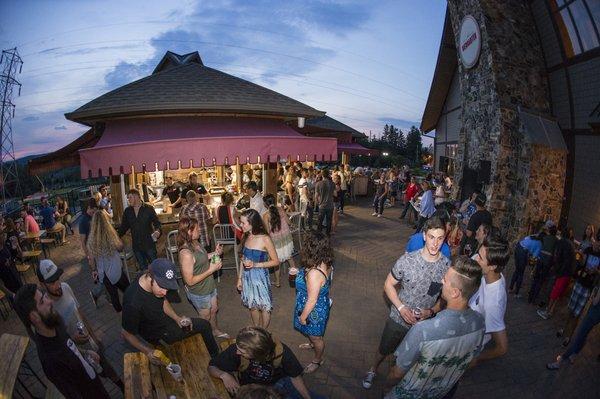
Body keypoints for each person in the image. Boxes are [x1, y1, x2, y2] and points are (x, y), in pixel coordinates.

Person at [362, 217, 451, 389]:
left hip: (424, 324)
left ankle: (399, 382)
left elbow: (443, 300)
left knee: (412, 358)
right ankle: (373, 369)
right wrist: (401, 308)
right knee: (384, 348)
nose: (435, 243)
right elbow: (388, 284)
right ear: (424, 236)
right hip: (398, 318)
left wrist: (431, 312)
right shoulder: (407, 260)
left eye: (440, 239)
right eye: (432, 237)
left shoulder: (446, 266)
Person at [383, 256, 485, 399]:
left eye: (445, 280)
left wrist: (386, 386)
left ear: (455, 292)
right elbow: (472, 361)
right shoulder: (480, 323)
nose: (442, 281)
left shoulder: (424, 329)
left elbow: (396, 373)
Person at [35, 259, 124, 391]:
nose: (58, 285)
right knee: (94, 382)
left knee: (107, 368)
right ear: (42, 284)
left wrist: (94, 337)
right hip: (76, 355)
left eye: (58, 279)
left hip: (90, 343)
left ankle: (122, 387)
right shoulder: (47, 309)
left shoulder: (65, 287)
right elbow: (56, 340)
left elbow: (80, 313)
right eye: (52, 283)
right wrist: (72, 339)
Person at [13, 284, 111, 399]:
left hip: (95, 385)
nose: (49, 301)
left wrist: (85, 353)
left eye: (44, 296)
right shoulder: (50, 360)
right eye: (42, 302)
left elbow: (67, 345)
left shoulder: (54, 321)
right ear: (34, 317)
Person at [121, 258, 219, 361]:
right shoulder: (132, 302)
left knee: (204, 325)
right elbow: (126, 333)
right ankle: (216, 359)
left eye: (167, 288)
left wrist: (177, 318)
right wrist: (147, 350)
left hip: (167, 321)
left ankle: (214, 356)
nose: (164, 292)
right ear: (150, 277)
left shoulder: (147, 279)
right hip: (159, 334)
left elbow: (163, 301)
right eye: (162, 287)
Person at [208, 326, 313, 399]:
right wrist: (224, 375)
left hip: (277, 385)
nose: (237, 352)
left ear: (257, 354)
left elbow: (295, 377)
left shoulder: (282, 352)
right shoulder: (237, 349)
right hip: (251, 390)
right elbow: (212, 367)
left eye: (242, 352)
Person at [177, 216, 228, 339]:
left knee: (214, 309)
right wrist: (211, 269)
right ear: (189, 231)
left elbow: (202, 258)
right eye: (197, 228)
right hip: (199, 291)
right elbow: (189, 281)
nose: (200, 230)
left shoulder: (195, 242)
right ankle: (204, 337)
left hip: (209, 285)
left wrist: (215, 254)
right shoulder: (186, 253)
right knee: (205, 317)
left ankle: (215, 330)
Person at [294, 230, 333, 374]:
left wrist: (303, 316)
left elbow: (312, 299)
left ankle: (317, 359)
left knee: (317, 337)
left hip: (313, 311)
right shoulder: (325, 261)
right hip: (319, 305)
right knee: (315, 335)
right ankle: (312, 342)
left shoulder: (314, 273)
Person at [470, 234, 510, 362]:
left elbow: (502, 348)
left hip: (470, 344)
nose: (476, 258)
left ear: (492, 266)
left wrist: (474, 359)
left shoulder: (493, 303)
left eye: (480, 258)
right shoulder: (493, 274)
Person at [238, 209, 280, 329]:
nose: (240, 225)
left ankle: (263, 330)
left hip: (260, 277)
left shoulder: (265, 239)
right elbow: (243, 259)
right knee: (252, 305)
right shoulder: (246, 235)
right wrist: (239, 279)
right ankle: (256, 328)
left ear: (252, 223)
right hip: (247, 277)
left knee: (264, 306)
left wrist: (255, 265)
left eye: (243, 223)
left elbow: (276, 261)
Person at [547, 283, 599, 370]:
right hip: (597, 317)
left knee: (579, 337)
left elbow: (595, 302)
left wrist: (593, 294)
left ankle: (560, 360)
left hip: (592, 314)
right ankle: (574, 354)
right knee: (584, 335)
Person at [87, 211, 130, 313]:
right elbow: (120, 247)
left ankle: (121, 316)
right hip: (116, 269)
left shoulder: (92, 239)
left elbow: (91, 259)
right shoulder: (111, 234)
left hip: (104, 273)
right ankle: (133, 310)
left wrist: (94, 270)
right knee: (128, 291)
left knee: (114, 296)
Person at [118, 189, 161, 270]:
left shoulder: (149, 209)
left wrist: (157, 231)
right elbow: (123, 227)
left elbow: (157, 223)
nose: (128, 200)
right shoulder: (128, 211)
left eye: (130, 197)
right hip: (137, 246)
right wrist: (115, 236)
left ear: (137, 196)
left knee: (155, 268)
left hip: (149, 244)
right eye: (128, 198)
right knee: (143, 269)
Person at [538, 228, 576, 320]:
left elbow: (557, 257)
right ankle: (551, 311)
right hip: (568, 272)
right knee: (558, 293)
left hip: (563, 272)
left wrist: (555, 269)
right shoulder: (571, 244)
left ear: (562, 234)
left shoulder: (561, 242)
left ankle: (547, 312)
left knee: (554, 292)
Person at [262, 194, 297, 288]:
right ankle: (295, 277)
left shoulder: (266, 215)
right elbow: (289, 222)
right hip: (286, 239)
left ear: (265, 204)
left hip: (276, 242)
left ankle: (277, 282)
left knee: (276, 262)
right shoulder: (281, 209)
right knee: (290, 258)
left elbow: (267, 231)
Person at [529, 223, 558, 304]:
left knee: (536, 279)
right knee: (540, 281)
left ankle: (530, 297)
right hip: (547, 263)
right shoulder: (556, 241)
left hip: (540, 260)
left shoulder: (545, 237)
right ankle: (534, 299)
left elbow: (537, 237)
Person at [509, 233, 542, 298]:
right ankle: (516, 293)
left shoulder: (532, 236)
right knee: (521, 273)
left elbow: (524, 240)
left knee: (517, 270)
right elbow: (534, 257)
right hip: (523, 252)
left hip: (518, 247)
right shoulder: (540, 244)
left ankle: (510, 288)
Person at [314, 169, 335, 236]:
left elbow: (316, 196)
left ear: (322, 175)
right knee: (329, 221)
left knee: (320, 221)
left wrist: (318, 203)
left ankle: (319, 234)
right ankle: (328, 234)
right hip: (330, 205)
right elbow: (334, 193)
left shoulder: (318, 184)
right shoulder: (332, 183)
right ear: (328, 174)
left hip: (322, 205)